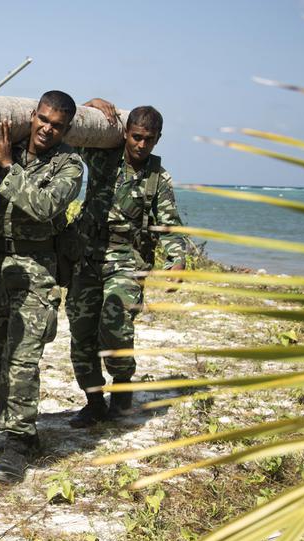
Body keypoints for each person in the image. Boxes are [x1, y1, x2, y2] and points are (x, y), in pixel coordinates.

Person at [0, 91, 83, 483]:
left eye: (57, 125)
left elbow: (43, 206)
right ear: (33, 115)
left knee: (22, 357)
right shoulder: (10, 147)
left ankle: (17, 444)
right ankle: (19, 430)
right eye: (43, 120)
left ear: (66, 129)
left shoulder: (70, 165)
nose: (47, 129)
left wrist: (6, 165)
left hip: (35, 266)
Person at [66, 100, 186, 428]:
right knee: (81, 330)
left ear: (158, 139)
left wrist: (177, 260)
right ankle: (93, 402)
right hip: (88, 257)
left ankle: (122, 392)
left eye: (148, 139)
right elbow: (72, 134)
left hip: (126, 261)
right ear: (126, 133)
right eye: (135, 137)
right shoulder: (105, 158)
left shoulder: (157, 178)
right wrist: (90, 104)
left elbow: (168, 223)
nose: (141, 144)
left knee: (115, 322)